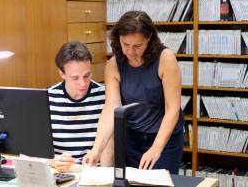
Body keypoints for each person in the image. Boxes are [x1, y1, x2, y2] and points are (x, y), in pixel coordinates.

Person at [82, 11, 184, 174]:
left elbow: (173, 109)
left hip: (163, 140)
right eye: (125, 44)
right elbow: (111, 109)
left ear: (149, 38)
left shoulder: (166, 59)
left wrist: (156, 148)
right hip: (131, 139)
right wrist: (96, 149)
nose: (130, 51)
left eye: (137, 46)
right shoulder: (114, 64)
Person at [48, 41, 110, 172]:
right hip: (60, 171)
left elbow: (111, 141)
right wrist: (52, 161)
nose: (83, 83)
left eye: (87, 75)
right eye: (75, 78)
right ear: (62, 74)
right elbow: (35, 149)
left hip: (94, 172)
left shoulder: (105, 96)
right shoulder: (48, 97)